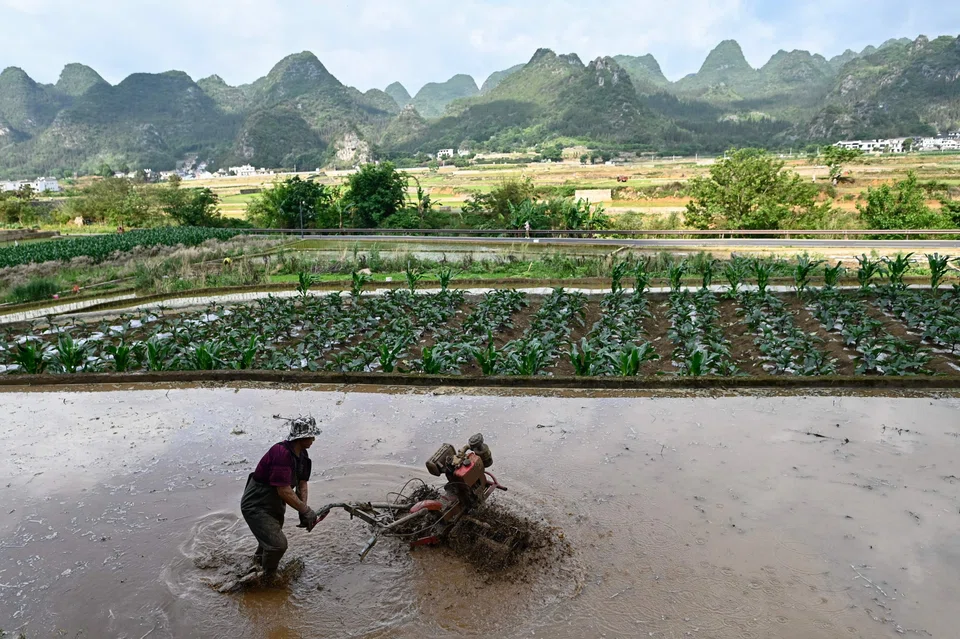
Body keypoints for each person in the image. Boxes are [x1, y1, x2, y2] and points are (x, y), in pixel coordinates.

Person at [240, 416, 322, 578]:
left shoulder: (303, 456)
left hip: (275, 505)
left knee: (268, 543)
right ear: (300, 437)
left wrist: (302, 511)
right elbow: (283, 491)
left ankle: (256, 567)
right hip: (257, 504)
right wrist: (306, 510)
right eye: (311, 436)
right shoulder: (281, 454)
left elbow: (302, 483)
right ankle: (268, 579)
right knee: (277, 545)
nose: (313, 439)